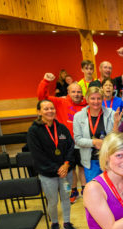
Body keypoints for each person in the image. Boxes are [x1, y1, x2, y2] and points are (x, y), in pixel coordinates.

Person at [27, 100, 77, 229]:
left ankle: (67, 222)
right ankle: (54, 223)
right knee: (53, 201)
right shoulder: (34, 131)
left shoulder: (62, 128)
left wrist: (66, 164)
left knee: (66, 197)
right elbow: (38, 155)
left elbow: (71, 147)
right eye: (46, 109)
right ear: (39, 112)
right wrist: (58, 169)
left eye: (52, 108)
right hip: (48, 174)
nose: (50, 111)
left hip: (66, 173)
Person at [37, 72, 88, 203]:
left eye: (78, 91)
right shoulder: (60, 102)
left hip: (82, 143)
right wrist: (45, 82)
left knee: (82, 167)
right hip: (66, 144)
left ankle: (84, 189)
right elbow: (42, 97)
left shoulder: (86, 105)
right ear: (68, 92)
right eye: (73, 92)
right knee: (69, 170)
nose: (76, 94)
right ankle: (73, 191)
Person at [74, 87, 116, 183]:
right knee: (94, 188)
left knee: (110, 187)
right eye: (92, 98)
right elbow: (77, 139)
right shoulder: (78, 116)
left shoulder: (111, 114)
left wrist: (117, 123)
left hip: (108, 158)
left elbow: (115, 137)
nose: (96, 101)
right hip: (91, 160)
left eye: (99, 98)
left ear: (102, 99)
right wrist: (94, 142)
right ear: (87, 99)